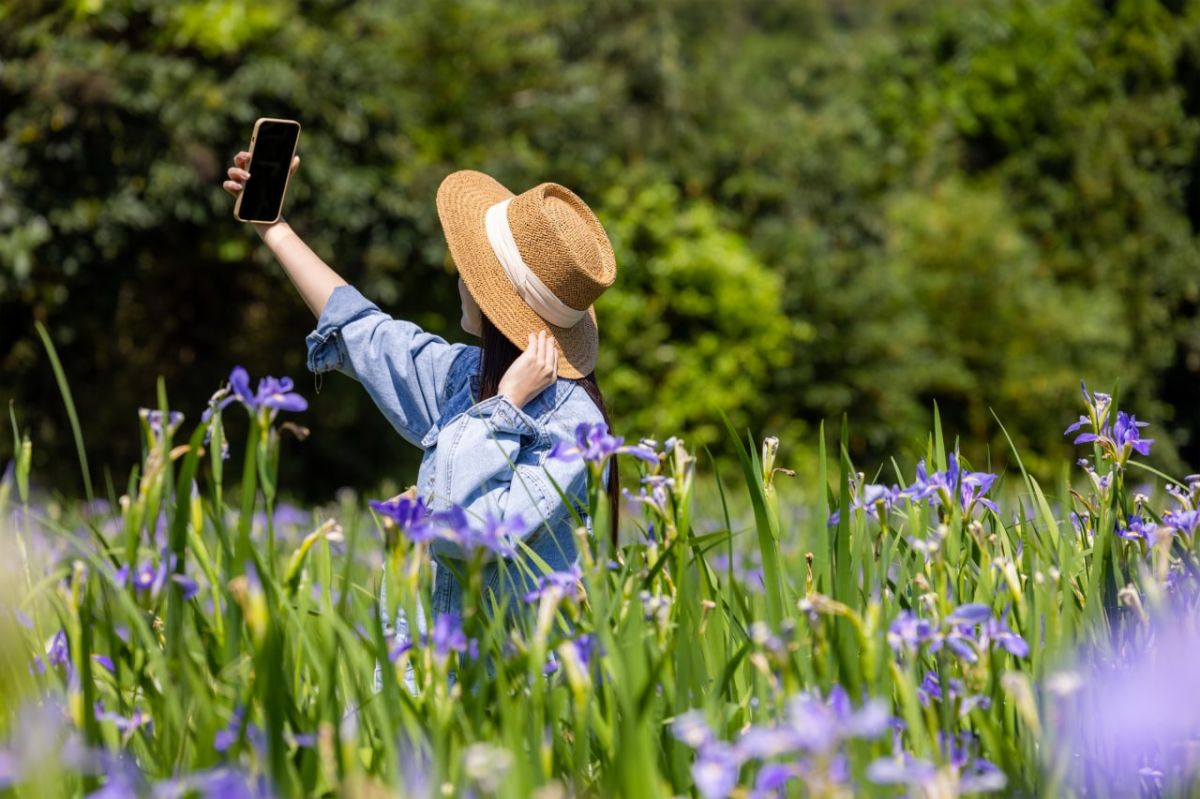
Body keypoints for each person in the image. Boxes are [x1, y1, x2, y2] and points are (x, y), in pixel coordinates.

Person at [223, 152, 621, 692]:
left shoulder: (571, 427)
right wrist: (275, 229)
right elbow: (366, 331)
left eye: (470, 267)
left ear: (490, 294)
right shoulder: (466, 376)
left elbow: (469, 534)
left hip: (512, 703)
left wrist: (499, 412)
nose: (458, 275)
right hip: (427, 689)